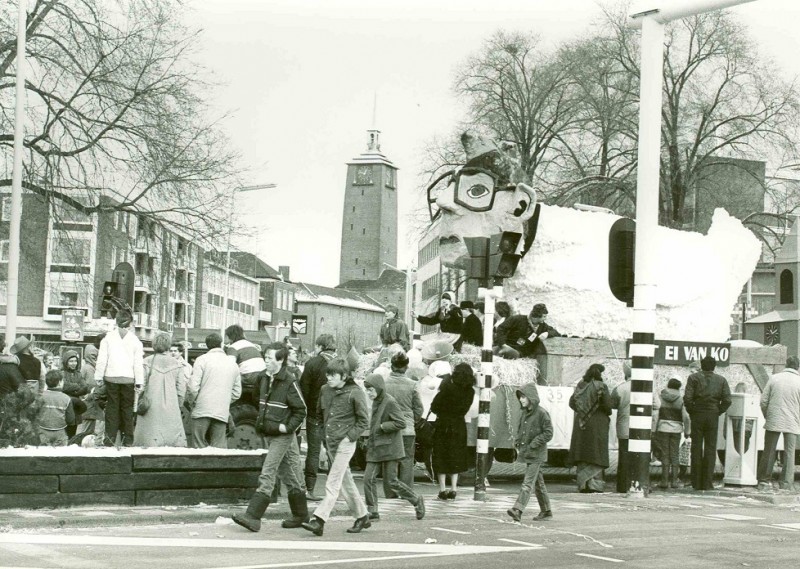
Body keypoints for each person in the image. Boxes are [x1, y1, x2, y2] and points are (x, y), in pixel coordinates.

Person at [233, 346, 307, 533]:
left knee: (268, 470)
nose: (266, 360)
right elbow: (260, 400)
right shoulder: (263, 378)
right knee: (288, 473)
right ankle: (301, 514)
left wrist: (287, 427)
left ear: (280, 360)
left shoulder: (290, 381)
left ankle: (253, 516)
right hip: (270, 431)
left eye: (269, 358)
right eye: (265, 357)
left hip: (282, 434)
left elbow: (301, 409)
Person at [302, 358, 370, 536]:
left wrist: (349, 438)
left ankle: (319, 520)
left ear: (344, 376)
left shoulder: (356, 393)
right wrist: (324, 436)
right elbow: (318, 414)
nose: (328, 378)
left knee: (332, 483)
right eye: (327, 374)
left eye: (333, 375)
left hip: (345, 444)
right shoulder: (325, 390)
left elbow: (364, 421)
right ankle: (362, 515)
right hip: (330, 443)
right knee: (345, 481)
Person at [362, 373, 426, 521]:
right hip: (376, 446)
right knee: (368, 478)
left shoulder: (389, 402)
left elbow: (401, 422)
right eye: (367, 390)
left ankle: (416, 500)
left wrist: (383, 426)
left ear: (378, 388)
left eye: (371, 389)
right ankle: (373, 511)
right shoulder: (376, 401)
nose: (369, 392)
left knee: (392, 481)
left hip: (390, 447)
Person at [94, 309, 144, 447]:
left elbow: (102, 359)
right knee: (127, 409)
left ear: (116, 322)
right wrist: (139, 381)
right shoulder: (135, 341)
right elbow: (138, 364)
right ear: (130, 323)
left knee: (112, 408)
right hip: (128, 378)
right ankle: (127, 439)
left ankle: (109, 439)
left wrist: (98, 376)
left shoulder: (107, 339)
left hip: (111, 378)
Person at [507, 382, 553, 522]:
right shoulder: (525, 413)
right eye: (520, 397)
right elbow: (522, 429)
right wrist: (518, 440)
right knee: (538, 484)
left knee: (527, 483)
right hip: (530, 452)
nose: (521, 400)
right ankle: (546, 511)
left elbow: (549, 433)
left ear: (531, 397)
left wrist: (533, 444)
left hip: (536, 453)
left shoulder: (541, 413)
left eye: (523, 397)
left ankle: (518, 509)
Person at [299, 333, 337, 501]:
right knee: (333, 452)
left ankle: (310, 489)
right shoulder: (339, 365)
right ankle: (334, 489)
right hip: (334, 415)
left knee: (313, 453)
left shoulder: (312, 364)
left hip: (315, 413)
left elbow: (304, 391)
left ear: (320, 347)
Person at [684, 355, 731, 491]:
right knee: (711, 449)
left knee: (696, 448)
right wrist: (717, 411)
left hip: (698, 414)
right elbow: (727, 400)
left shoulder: (693, 378)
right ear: (714, 366)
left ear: (702, 365)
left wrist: (692, 411)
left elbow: (687, 398)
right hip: (712, 415)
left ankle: (696, 482)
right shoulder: (721, 380)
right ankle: (707, 483)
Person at [187, 333, 242, 448]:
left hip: (202, 408)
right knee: (219, 447)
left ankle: (198, 466)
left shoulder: (201, 360)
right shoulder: (233, 364)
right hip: (221, 410)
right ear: (220, 343)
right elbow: (237, 393)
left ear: (207, 345)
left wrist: (193, 401)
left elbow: (193, 387)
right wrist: (224, 400)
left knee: (198, 445)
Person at [133, 332, 187, 448]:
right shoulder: (178, 364)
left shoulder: (146, 362)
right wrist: (179, 405)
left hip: (150, 405)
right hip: (171, 406)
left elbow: (140, 386)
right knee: (172, 442)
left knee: (148, 441)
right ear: (168, 345)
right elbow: (181, 389)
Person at [430, 362, 475, 500]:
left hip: (443, 425)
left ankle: (442, 489)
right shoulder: (470, 391)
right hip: (459, 425)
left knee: (441, 456)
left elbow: (434, 407)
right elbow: (465, 409)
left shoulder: (448, 388)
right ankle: (454, 488)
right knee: (455, 456)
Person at [383, 351, 424, 496]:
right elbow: (419, 408)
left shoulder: (383, 384)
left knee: (389, 459)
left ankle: (390, 492)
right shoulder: (412, 385)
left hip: (388, 427)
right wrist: (413, 420)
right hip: (407, 428)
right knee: (407, 460)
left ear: (391, 366)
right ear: (406, 367)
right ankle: (406, 492)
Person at [757, 356, 800, 492]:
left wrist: (768, 415)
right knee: (789, 452)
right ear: (798, 367)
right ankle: (786, 484)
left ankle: (763, 481)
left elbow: (763, 401)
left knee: (769, 450)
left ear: (786, 364)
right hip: (792, 421)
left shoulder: (774, 378)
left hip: (774, 418)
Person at [568, 363, 612, 493]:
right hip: (597, 423)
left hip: (581, 423)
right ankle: (595, 485)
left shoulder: (580, 385)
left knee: (583, 452)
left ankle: (583, 484)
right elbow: (608, 406)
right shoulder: (601, 386)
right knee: (596, 452)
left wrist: (581, 411)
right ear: (600, 374)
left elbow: (572, 403)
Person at [653, 377, 691, 489]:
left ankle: (664, 481)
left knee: (665, 454)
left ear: (668, 385)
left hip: (662, 428)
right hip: (676, 429)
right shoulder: (681, 399)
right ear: (679, 387)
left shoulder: (660, 397)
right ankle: (674, 481)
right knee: (674, 455)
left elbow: (656, 414)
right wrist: (687, 431)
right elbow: (686, 417)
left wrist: (654, 429)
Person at [416, 359, 451, 479]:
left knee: (429, 446)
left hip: (432, 418)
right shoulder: (452, 383)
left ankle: (434, 473)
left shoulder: (433, 381)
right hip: (446, 419)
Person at [494, 303, 560, 360]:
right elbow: (501, 328)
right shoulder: (517, 319)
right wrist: (503, 344)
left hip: (520, 353)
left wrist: (547, 333)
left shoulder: (542, 326)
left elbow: (556, 333)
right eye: (544, 316)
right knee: (490, 352)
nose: (545, 318)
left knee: (514, 354)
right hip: (507, 346)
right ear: (536, 317)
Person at [225, 324, 267, 398]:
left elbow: (229, 367)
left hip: (247, 378)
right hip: (261, 378)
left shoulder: (233, 347)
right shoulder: (252, 345)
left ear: (229, 336)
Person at [610, 362, 632, 493]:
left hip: (624, 427)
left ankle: (623, 485)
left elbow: (612, 405)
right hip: (643, 430)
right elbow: (657, 404)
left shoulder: (619, 389)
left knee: (623, 457)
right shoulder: (648, 387)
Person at [37, 370, 75, 446]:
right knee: (60, 455)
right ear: (60, 382)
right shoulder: (66, 398)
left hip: (42, 430)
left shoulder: (40, 396)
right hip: (60, 431)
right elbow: (71, 420)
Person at [60, 349, 90, 438]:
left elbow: (85, 387)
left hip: (76, 405)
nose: (74, 363)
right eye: (71, 361)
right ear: (66, 362)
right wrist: (77, 386)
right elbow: (64, 386)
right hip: (66, 403)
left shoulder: (78, 374)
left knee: (73, 429)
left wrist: (74, 388)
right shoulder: (62, 373)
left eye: (75, 361)